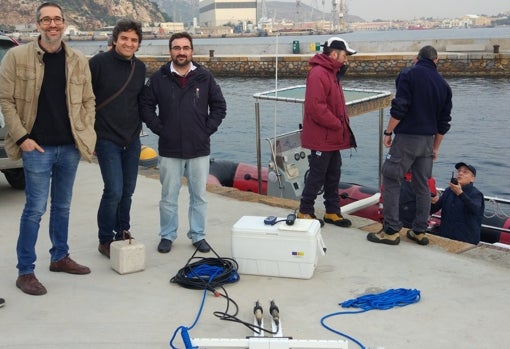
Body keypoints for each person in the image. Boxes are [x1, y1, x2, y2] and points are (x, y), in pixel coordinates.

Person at [0, 2, 96, 296]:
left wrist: (85, 130)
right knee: (34, 209)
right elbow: (6, 101)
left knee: (63, 206)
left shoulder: (78, 59)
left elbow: (88, 100)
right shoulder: (17, 56)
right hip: (36, 148)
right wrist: (22, 138)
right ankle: (25, 271)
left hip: (69, 147)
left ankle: (59, 257)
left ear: (64, 23)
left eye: (57, 19)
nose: (52, 24)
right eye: (46, 20)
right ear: (37, 24)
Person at [139, 32, 226, 254]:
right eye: (177, 48)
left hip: (199, 148)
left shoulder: (205, 77)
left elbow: (219, 107)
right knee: (168, 196)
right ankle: (167, 235)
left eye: (185, 48)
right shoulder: (159, 78)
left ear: (192, 51)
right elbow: (146, 107)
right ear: (170, 51)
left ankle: (198, 235)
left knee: (199, 196)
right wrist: (160, 129)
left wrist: (206, 130)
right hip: (170, 149)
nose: (181, 52)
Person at [367, 45, 452, 246]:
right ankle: (420, 230)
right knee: (422, 185)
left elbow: (401, 106)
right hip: (428, 141)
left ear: (417, 58)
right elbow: (444, 122)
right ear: (436, 61)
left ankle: (390, 230)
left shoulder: (408, 74)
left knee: (391, 178)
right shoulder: (444, 85)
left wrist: (388, 132)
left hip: (407, 138)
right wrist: (436, 148)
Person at [89, 19, 146, 258]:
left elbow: (139, 101)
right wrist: (88, 136)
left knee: (128, 191)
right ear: (115, 39)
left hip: (132, 139)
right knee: (113, 189)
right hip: (106, 138)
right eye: (124, 38)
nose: (129, 43)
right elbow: (85, 100)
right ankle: (105, 238)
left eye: (134, 40)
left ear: (138, 44)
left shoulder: (140, 68)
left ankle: (122, 230)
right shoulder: (97, 63)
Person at [296, 37, 357, 228]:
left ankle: (332, 210)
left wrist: (338, 126)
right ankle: (305, 210)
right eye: (345, 55)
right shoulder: (319, 74)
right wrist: (338, 124)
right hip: (323, 136)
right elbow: (316, 108)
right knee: (317, 174)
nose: (346, 59)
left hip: (331, 137)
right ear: (334, 54)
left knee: (333, 173)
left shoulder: (331, 73)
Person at [430, 162, 484, 245]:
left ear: (472, 179)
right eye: (459, 171)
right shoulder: (449, 190)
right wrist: (432, 202)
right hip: (445, 237)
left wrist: (460, 193)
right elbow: (433, 210)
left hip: (466, 240)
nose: (460, 173)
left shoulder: (476, 194)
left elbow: (476, 209)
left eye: (465, 172)